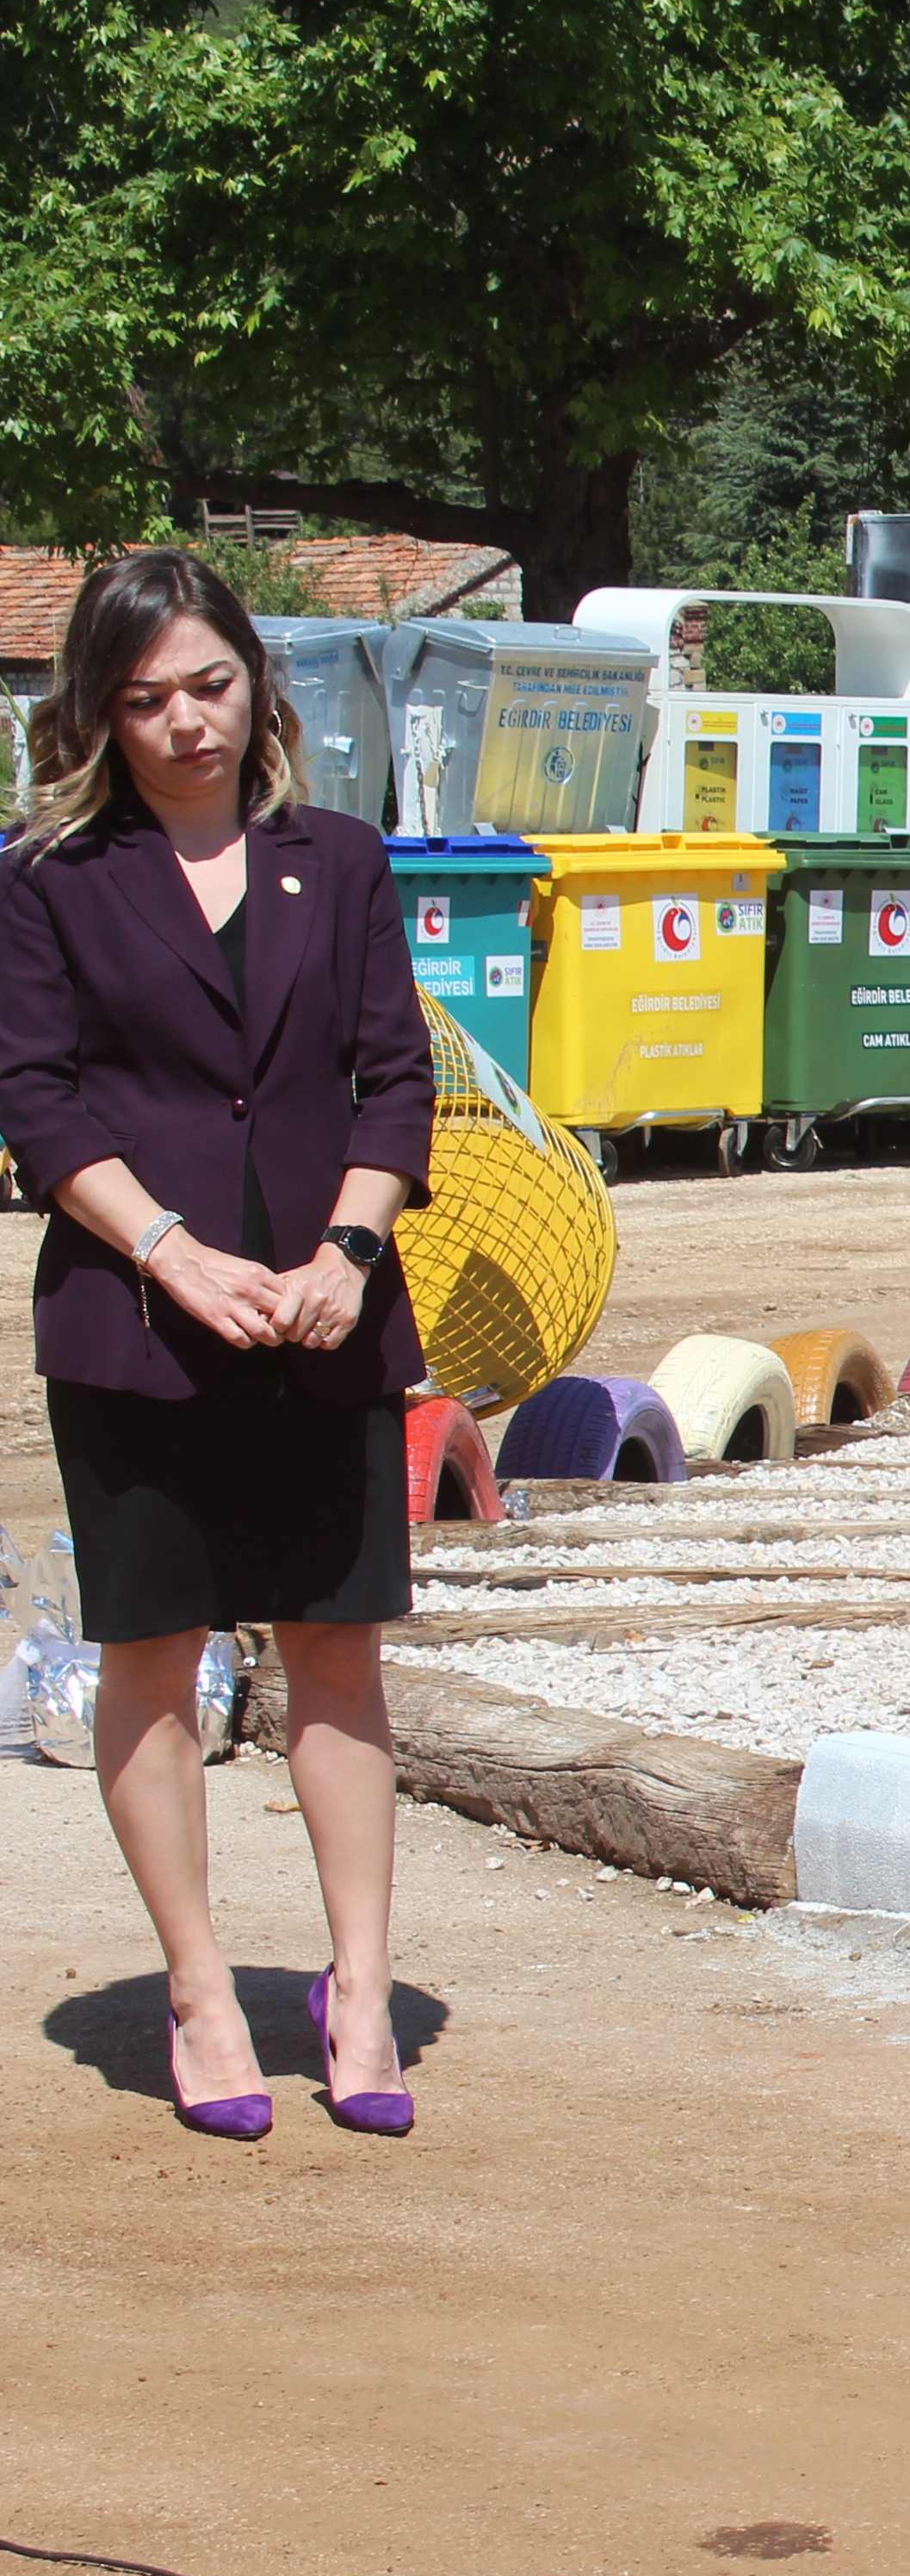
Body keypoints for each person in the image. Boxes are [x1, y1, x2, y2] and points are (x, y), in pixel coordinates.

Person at [0, 549, 435, 2144]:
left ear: (259, 682)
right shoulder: (49, 876)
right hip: (134, 1327)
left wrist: (348, 1248)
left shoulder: (344, 858)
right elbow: (37, 1098)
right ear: (99, 717)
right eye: (145, 698)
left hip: (330, 1324)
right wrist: (173, 1250)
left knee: (335, 1648)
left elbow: (396, 1075)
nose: (185, 721)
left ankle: (363, 1989)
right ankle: (195, 1991)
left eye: (209, 684)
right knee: (153, 1654)